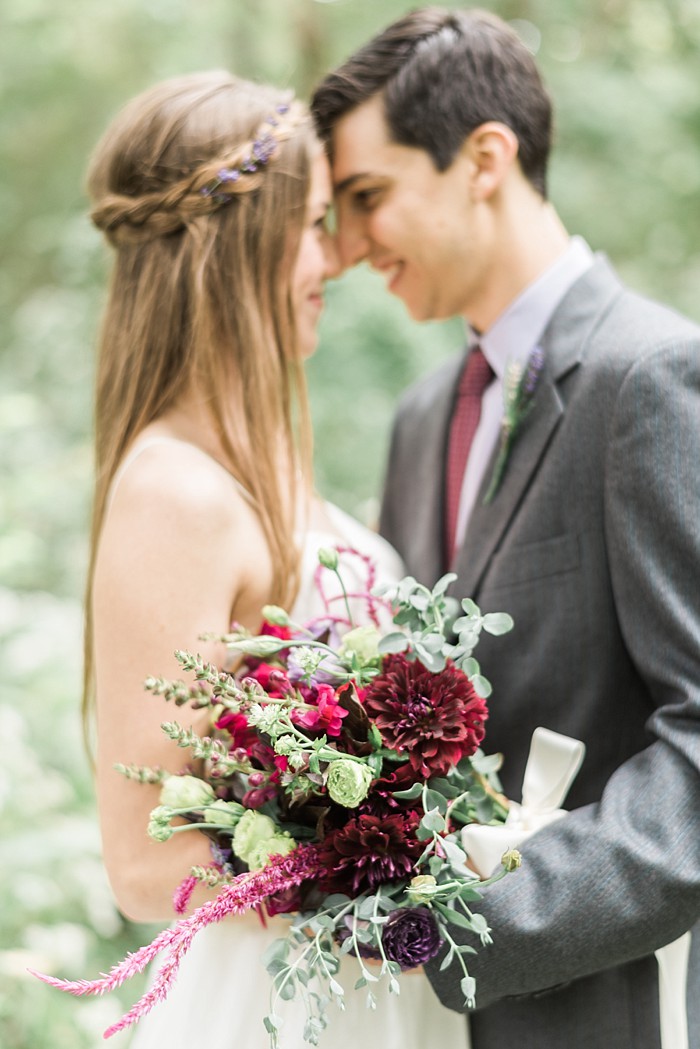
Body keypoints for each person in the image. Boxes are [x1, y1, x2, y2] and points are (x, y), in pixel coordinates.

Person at [311, 9, 700, 1049]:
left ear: (485, 156)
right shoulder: (421, 415)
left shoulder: (651, 376)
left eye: (367, 198)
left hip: (603, 1003)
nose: (345, 249)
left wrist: (468, 926)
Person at [84, 70, 466, 1049]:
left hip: (362, 983)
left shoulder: (257, 465)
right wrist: (370, 864)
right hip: (275, 1007)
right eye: (309, 224)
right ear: (233, 248)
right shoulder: (175, 492)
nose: (332, 258)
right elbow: (140, 859)